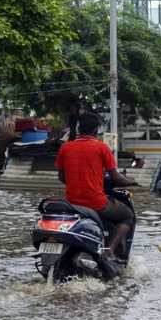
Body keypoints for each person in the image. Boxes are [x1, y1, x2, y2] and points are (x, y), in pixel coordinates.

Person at [55, 112, 136, 263]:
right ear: (96, 130)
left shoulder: (65, 148)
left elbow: (61, 177)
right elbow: (116, 177)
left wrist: (77, 185)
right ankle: (110, 251)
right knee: (127, 215)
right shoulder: (102, 148)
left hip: (72, 204)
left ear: (79, 128)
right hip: (96, 204)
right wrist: (129, 181)